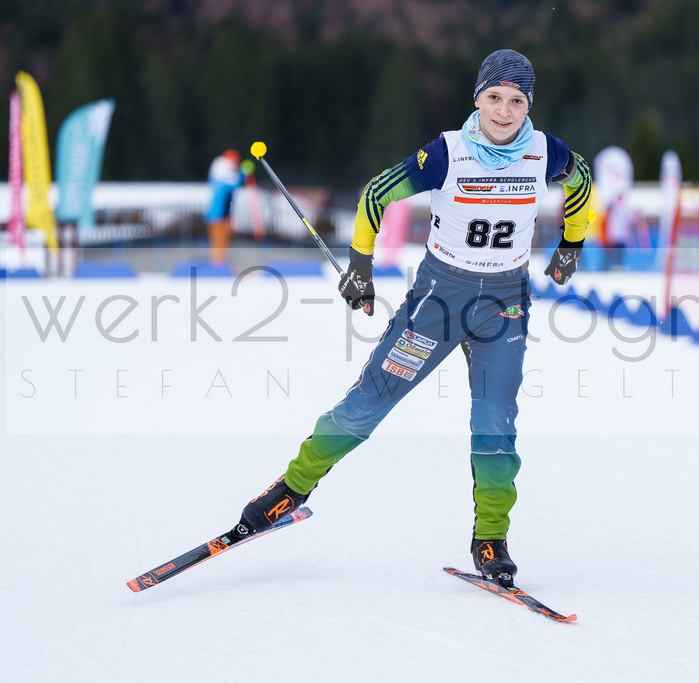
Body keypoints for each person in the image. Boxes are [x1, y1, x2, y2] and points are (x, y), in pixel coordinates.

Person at [232, 49, 593, 587]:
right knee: (372, 398)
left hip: (505, 301)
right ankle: (291, 490)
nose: (504, 111)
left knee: (496, 422)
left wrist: (572, 242)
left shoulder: (545, 152)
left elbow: (582, 181)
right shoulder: (450, 153)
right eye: (494, 97)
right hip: (440, 298)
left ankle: (491, 537)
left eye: (517, 100)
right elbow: (377, 194)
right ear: (478, 99)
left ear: (528, 105)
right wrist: (360, 264)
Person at [204, 149, 246, 264]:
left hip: (220, 215)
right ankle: (218, 264)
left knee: (222, 241)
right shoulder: (223, 173)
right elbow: (235, 184)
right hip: (218, 215)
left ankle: (220, 263)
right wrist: (243, 173)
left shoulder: (218, 171)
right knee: (220, 241)